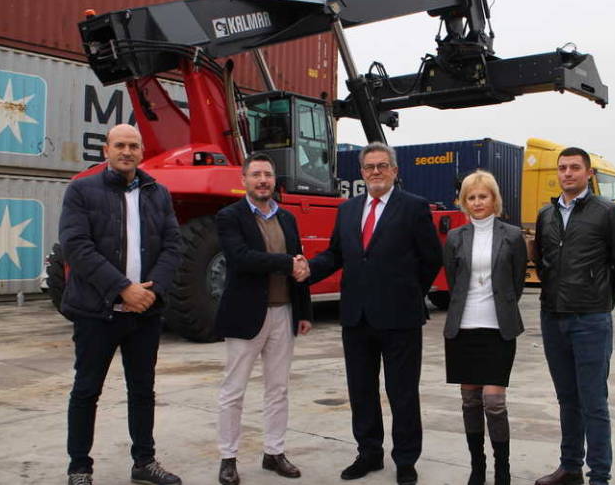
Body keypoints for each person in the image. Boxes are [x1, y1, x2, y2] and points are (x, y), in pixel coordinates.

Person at [307, 142, 442, 485]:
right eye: (370, 167)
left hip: (400, 319)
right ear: (362, 172)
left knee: (403, 393)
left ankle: (406, 459)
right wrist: (306, 269)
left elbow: (430, 259)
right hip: (356, 317)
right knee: (362, 390)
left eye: (383, 166)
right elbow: (336, 255)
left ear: (395, 171)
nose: (376, 172)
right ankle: (369, 453)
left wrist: (409, 293)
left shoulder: (413, 208)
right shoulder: (348, 210)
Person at [59, 124, 182, 485]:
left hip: (145, 314)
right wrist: (123, 289)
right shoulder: (81, 190)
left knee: (142, 391)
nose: (126, 151)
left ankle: (144, 462)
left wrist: (152, 291)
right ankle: (79, 467)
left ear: (142, 151)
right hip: (97, 312)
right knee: (86, 390)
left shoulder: (157, 193)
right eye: (119, 145)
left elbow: (174, 246)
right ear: (106, 151)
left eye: (133, 145)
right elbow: (76, 246)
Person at [532, 148, 615, 485]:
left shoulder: (607, 212)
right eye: (562, 168)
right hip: (553, 319)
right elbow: (545, 266)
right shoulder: (545, 215)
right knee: (567, 399)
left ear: (588, 174)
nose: (567, 173)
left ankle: (600, 477)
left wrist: (602, 300)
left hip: (591, 320)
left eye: (575, 168)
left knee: (593, 401)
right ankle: (570, 468)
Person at [214, 152, 313, 485]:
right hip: (246, 317)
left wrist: (304, 312)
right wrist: (288, 263)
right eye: (255, 174)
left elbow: (299, 263)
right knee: (233, 390)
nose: (262, 180)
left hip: (283, 313)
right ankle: (228, 458)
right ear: (243, 180)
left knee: (278, 389)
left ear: (275, 181)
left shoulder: (287, 218)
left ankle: (274, 452)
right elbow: (241, 259)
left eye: (268, 175)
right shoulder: (229, 217)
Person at [442, 171, 527, 485]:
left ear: (495, 200)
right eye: (472, 197)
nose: (478, 202)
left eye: (483, 196)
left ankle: (502, 469)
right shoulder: (454, 238)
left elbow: (516, 284)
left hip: (498, 329)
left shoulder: (513, 236)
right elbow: (454, 283)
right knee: (470, 400)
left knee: (493, 401)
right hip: (463, 329)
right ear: (465, 202)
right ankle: (477, 467)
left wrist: (499, 306)